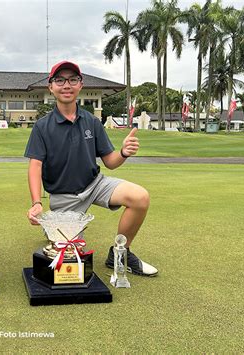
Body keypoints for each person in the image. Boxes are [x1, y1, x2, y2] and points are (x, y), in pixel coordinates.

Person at [25, 61, 157, 277]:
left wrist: (123, 152)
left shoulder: (91, 121)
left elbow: (110, 162)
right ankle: (53, 227)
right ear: (51, 87)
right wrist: (37, 203)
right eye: (60, 80)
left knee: (140, 197)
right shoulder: (42, 126)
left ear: (80, 85)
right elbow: (35, 166)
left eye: (72, 80)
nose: (66, 85)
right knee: (68, 254)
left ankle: (119, 253)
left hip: (95, 185)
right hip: (63, 196)